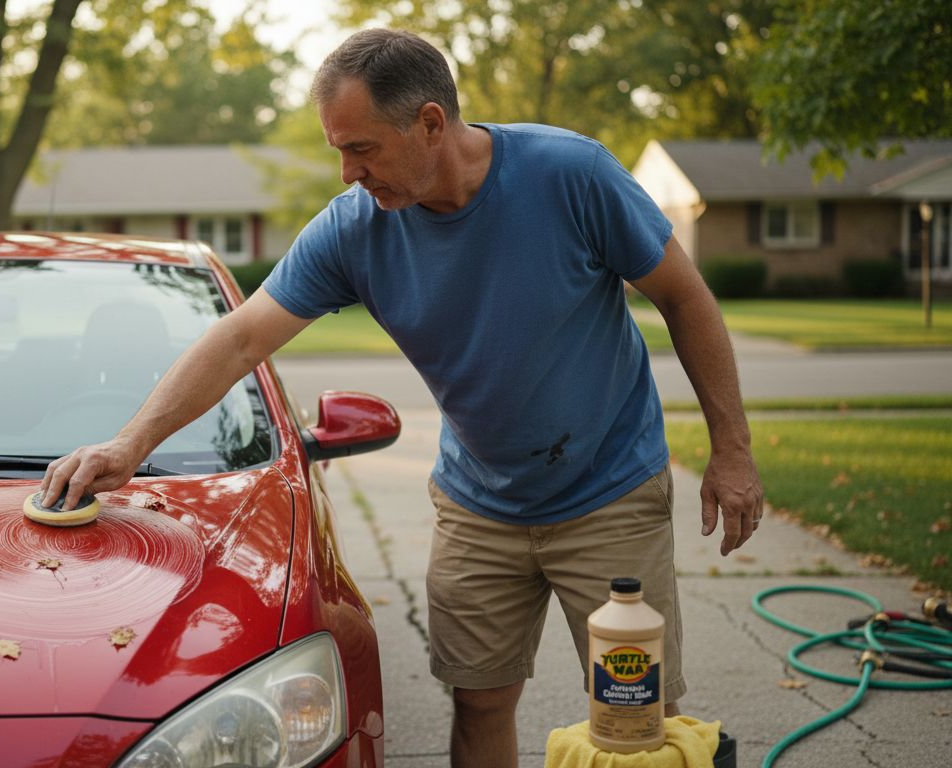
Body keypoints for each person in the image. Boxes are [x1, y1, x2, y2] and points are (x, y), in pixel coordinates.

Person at [41, 28, 763, 768]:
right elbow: (239, 340)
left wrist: (731, 450)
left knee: (634, 718)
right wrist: (130, 443)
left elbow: (685, 296)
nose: (350, 173)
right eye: (339, 153)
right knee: (479, 699)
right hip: (480, 504)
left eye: (362, 148)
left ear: (429, 123)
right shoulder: (356, 230)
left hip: (610, 493)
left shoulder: (570, 175)